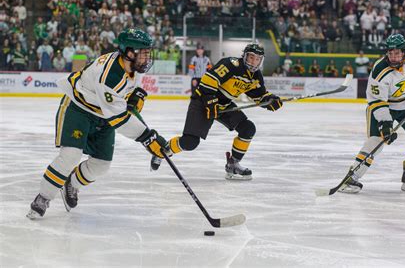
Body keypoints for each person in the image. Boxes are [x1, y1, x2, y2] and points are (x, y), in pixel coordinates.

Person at [26, 28, 170, 219]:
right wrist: (147, 137)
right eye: (143, 53)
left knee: (101, 164)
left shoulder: (132, 65)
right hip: (79, 108)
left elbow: (128, 92)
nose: (147, 58)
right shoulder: (110, 76)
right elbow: (120, 119)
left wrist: (135, 96)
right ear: (129, 53)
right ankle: (43, 197)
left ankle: (72, 184)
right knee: (70, 156)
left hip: (104, 113)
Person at [150, 43, 283, 180]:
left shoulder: (256, 76)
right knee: (190, 142)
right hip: (202, 101)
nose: (254, 62)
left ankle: (233, 164)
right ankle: (164, 150)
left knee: (248, 129)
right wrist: (210, 101)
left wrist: (270, 101)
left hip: (223, 105)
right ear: (244, 56)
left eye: (257, 59)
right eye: (251, 57)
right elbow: (209, 79)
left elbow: (259, 95)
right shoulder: (231, 64)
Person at [339, 34, 405, 194]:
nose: (393, 56)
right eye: (390, 53)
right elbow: (376, 100)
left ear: (404, 52)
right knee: (377, 140)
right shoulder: (379, 70)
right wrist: (385, 123)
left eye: (397, 53)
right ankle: (352, 176)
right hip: (384, 106)